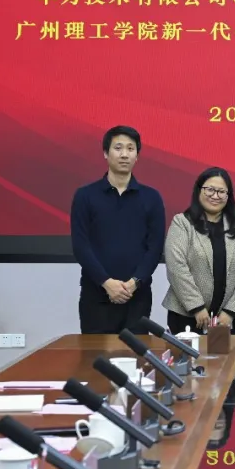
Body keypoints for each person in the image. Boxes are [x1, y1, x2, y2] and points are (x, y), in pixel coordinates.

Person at [70, 125, 166, 334]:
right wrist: (106, 283)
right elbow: (81, 246)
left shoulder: (152, 198)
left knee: (136, 353)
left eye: (130, 149)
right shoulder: (85, 196)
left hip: (137, 297)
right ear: (106, 153)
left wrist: (134, 283)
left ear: (137, 156)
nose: (124, 154)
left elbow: (155, 248)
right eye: (118, 148)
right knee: (95, 353)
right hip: (96, 296)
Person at [163, 167, 235, 336]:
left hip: (226, 319)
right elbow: (176, 267)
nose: (215, 196)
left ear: (228, 196)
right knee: (187, 354)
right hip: (186, 316)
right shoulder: (182, 223)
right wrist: (196, 307)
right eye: (210, 189)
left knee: (230, 354)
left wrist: (231, 311)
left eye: (221, 191)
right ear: (199, 190)